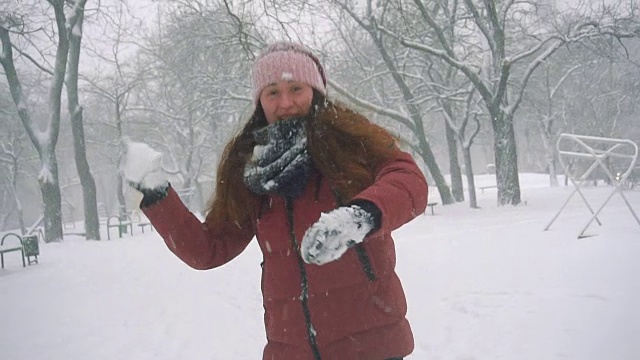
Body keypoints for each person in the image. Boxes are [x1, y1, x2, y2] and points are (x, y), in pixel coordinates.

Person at [121, 42, 428, 360]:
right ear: (260, 102)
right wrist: (155, 192)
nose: (285, 103)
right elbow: (208, 249)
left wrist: (359, 216)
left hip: (371, 345)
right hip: (291, 350)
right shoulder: (252, 169)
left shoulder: (351, 142)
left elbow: (408, 181)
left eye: (296, 88)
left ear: (315, 91)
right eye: (272, 92)